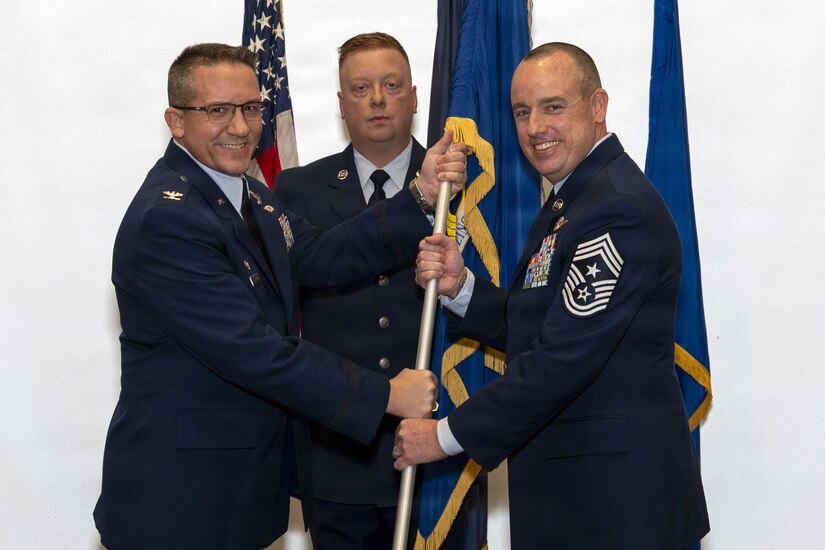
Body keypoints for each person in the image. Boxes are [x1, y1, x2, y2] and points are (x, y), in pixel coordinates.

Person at [93, 42, 466, 550]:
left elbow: (327, 255)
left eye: (250, 108)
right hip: (180, 501)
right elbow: (255, 351)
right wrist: (386, 396)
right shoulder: (170, 220)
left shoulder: (249, 195)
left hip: (236, 494)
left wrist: (418, 196)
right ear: (176, 122)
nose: (241, 127)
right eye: (218, 110)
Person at [394, 42, 710, 549]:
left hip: (614, 511)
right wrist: (462, 287)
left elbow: (560, 360)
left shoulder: (616, 210)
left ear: (597, 106)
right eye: (523, 111)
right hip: (580, 501)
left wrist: (444, 435)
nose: (535, 127)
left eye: (553, 106)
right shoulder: (576, 198)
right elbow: (543, 321)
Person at [275, 32, 482, 549]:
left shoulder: (469, 185)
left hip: (441, 454)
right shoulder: (296, 190)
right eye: (360, 88)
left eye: (391, 85)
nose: (377, 99)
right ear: (341, 104)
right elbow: (302, 290)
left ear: (414, 97)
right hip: (340, 458)